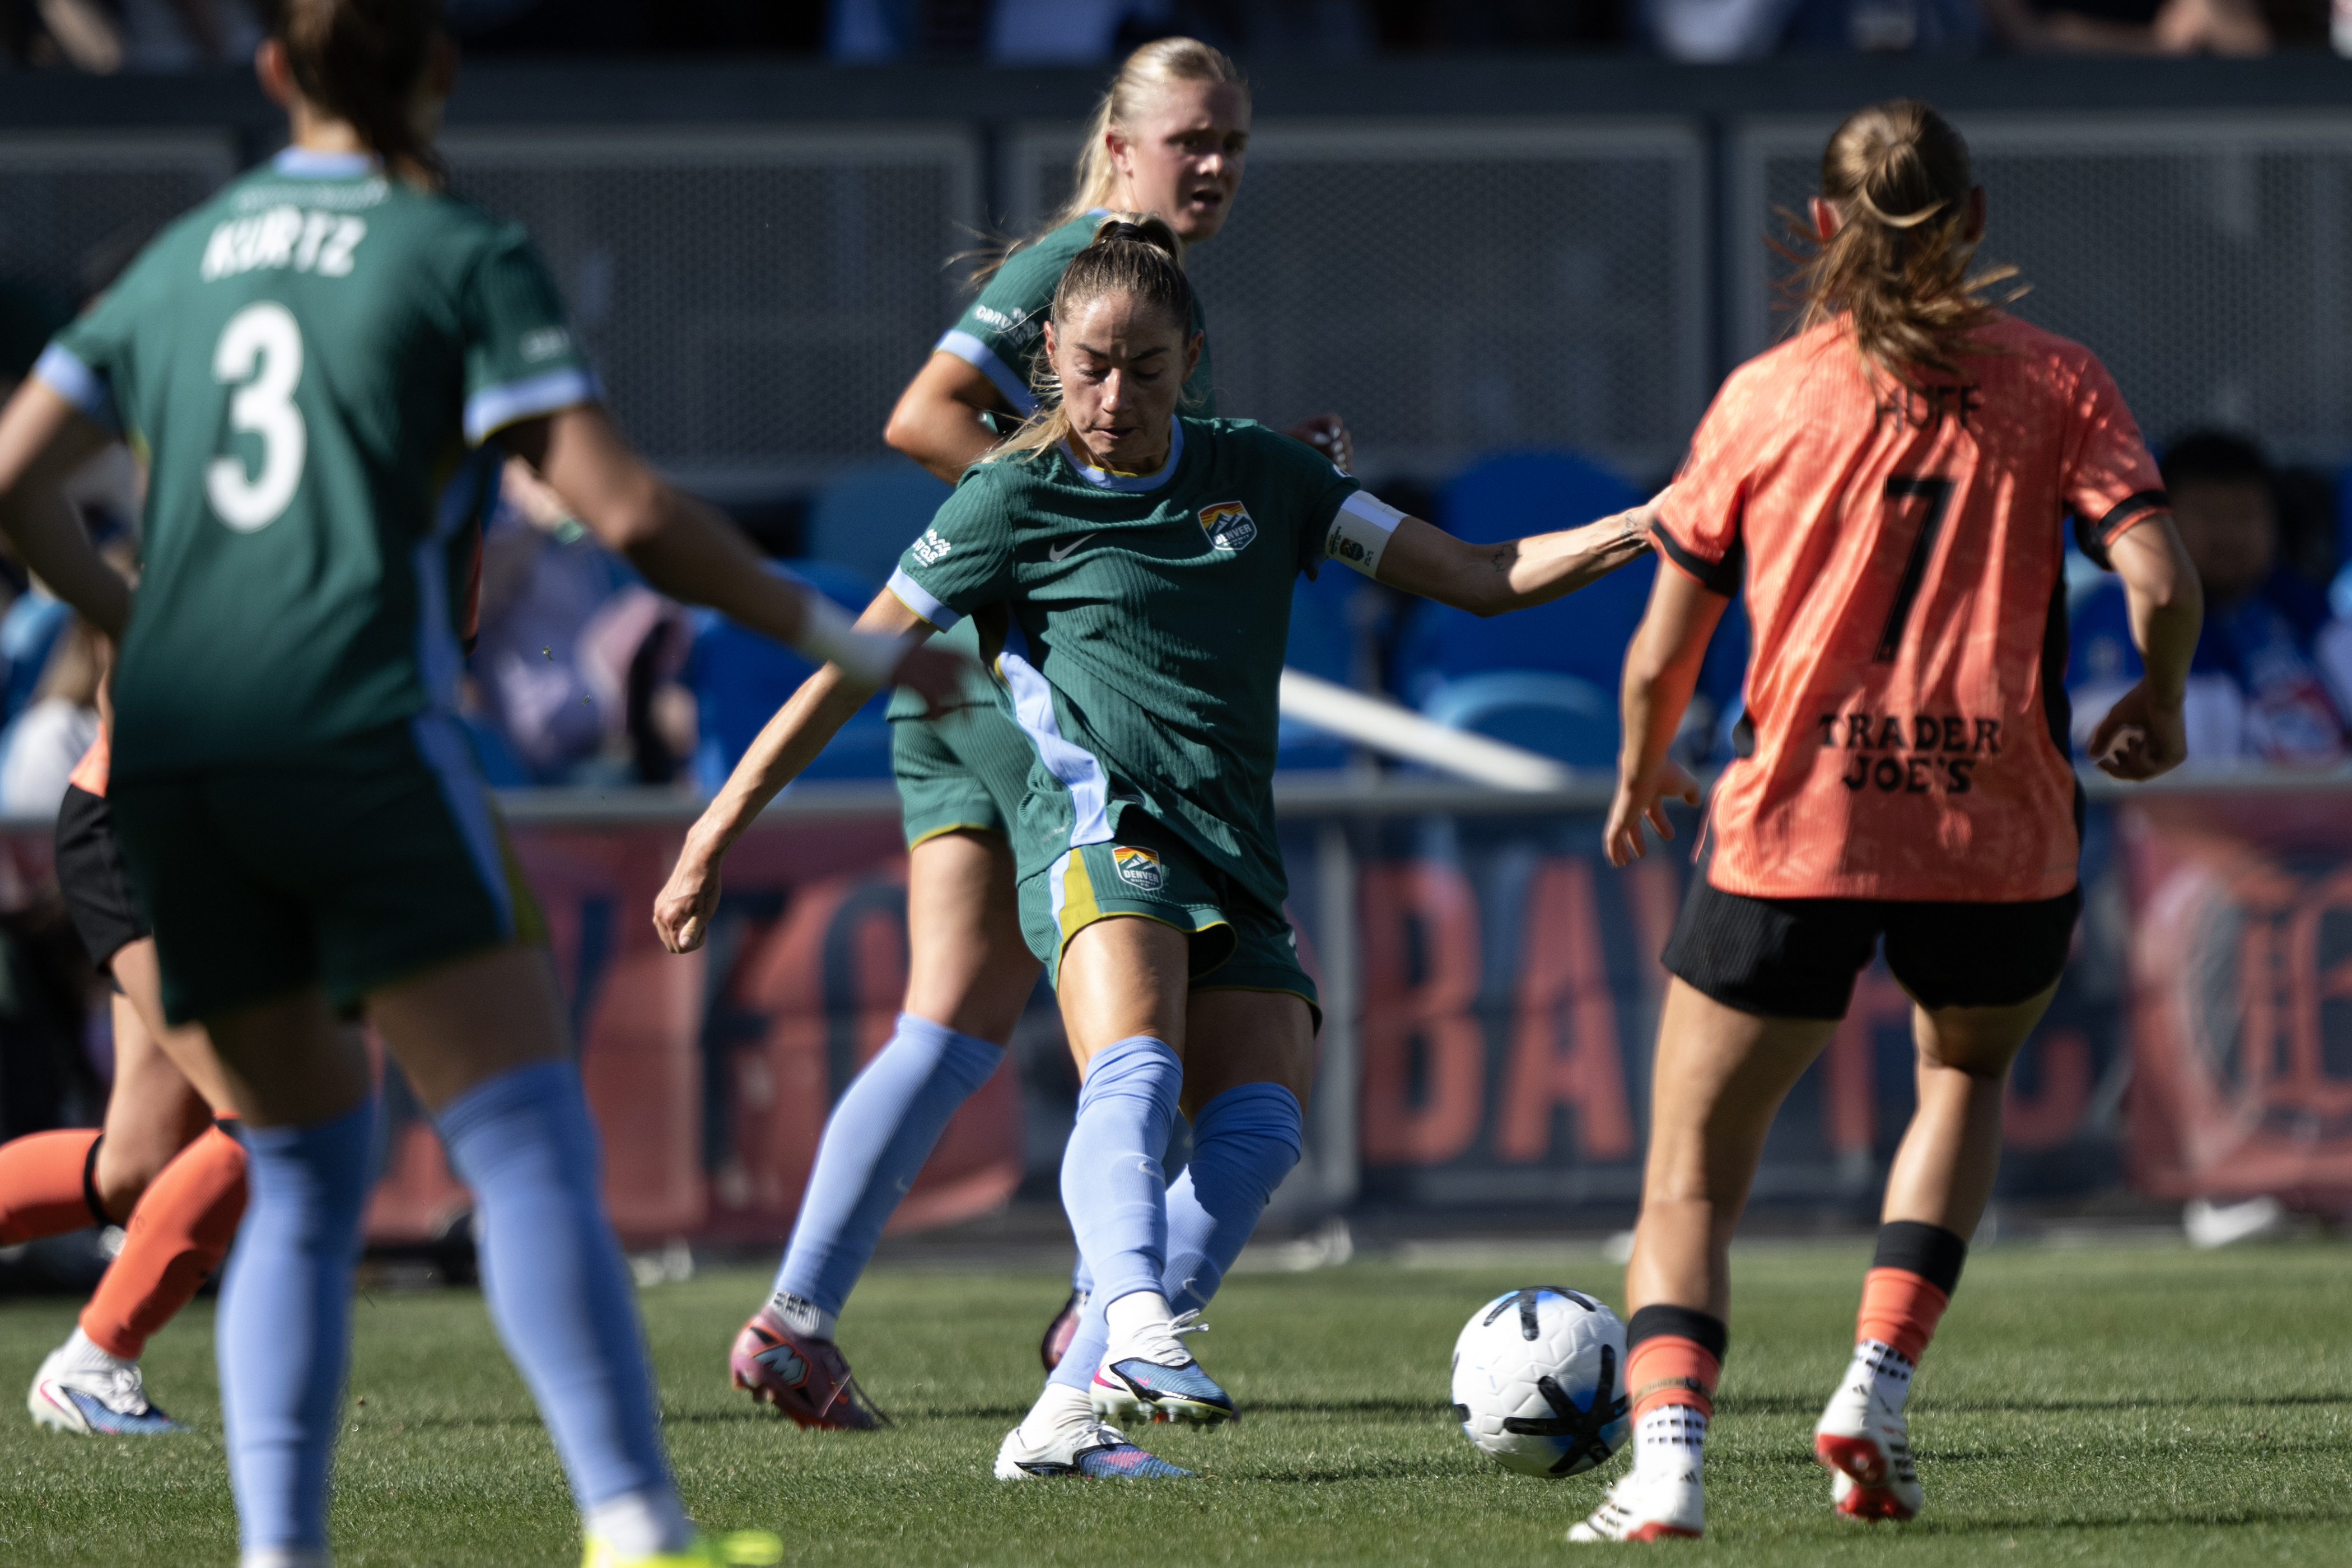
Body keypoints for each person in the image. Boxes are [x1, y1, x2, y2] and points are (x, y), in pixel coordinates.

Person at [0, 3, 961, 1565]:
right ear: (442, 69)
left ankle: (278, 1550)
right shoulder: (455, 252)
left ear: (268, 74)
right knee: (522, 1144)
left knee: (281, 1165)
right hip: (358, 737)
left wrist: (116, 619)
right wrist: (839, 647)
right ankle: (635, 1525)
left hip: (186, 775)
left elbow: (12, 472)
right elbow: (633, 513)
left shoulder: (182, 260)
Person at [657, 217, 1655, 1478]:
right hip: (1103, 831)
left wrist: (1648, 522)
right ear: (1049, 365)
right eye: (1086, 368)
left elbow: (1474, 573)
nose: (1113, 396)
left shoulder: (1262, 475)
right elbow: (854, 665)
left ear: (1194, 356)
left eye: (1142, 367)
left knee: (1261, 1125)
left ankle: (1061, 1420)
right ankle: (1129, 1319)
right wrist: (713, 827)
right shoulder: (1009, 497)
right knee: (1130, 1068)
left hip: (1233, 845)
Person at [711, 33, 1348, 1429]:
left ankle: (800, 1317)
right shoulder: (1089, 256)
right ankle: (1109, 1311)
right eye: (1193, 139)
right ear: (1122, 146)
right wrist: (1081, 505)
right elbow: (925, 416)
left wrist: (1228, 452)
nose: (1219, 165)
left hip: (965, 673)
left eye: (1235, 140)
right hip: (1032, 665)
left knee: (950, 1022)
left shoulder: (1139, 287)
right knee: (1139, 1020)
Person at [1585, 100, 2200, 1543]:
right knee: (1962, 1084)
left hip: (1795, 822)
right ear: (1975, 220)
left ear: (1819, 227)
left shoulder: (1765, 398)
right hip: (1996, 826)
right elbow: (2160, 577)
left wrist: (1640, 768)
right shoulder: (2061, 383)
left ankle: (1668, 1469)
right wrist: (2158, 705)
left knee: (1688, 1178)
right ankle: (1874, 1385)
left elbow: (1662, 646)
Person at [0, 725, 253, 1436]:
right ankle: (91, 1367)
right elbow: (137, 662)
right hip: (154, 819)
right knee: (264, 1117)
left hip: (230, 837)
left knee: (136, 1165)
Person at [2069, 431, 2347, 768]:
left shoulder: (2295, 605)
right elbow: (2144, 779)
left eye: (2246, 515)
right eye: (2206, 516)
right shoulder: (2123, 613)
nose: (2228, 535)